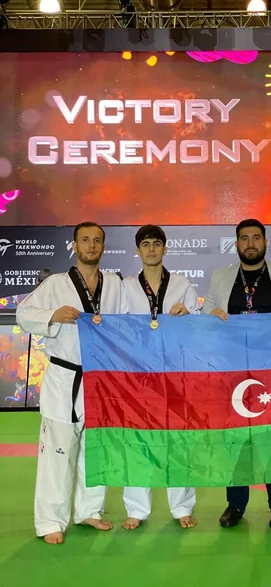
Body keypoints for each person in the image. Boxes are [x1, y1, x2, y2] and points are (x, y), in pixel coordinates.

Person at [16, 222, 126, 545]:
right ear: (74, 246)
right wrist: (52, 315)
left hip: (100, 379)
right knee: (58, 452)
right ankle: (51, 520)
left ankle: (89, 510)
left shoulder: (115, 285)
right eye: (85, 240)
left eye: (97, 240)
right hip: (65, 378)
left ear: (103, 246)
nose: (91, 245)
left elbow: (127, 323)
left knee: (95, 450)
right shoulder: (55, 284)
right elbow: (23, 313)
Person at [202, 218, 271, 529]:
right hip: (233, 372)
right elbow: (203, 320)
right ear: (236, 243)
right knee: (236, 439)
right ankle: (235, 504)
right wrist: (210, 316)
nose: (250, 243)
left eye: (256, 237)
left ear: (266, 242)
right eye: (244, 238)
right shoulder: (220, 278)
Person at [121, 225, 199, 531]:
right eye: (146, 244)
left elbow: (197, 329)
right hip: (138, 374)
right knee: (137, 441)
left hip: (176, 373)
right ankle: (136, 508)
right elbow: (116, 327)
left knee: (178, 441)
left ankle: (182, 507)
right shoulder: (126, 287)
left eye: (156, 244)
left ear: (165, 248)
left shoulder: (182, 285)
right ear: (138, 250)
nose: (151, 249)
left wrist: (189, 316)